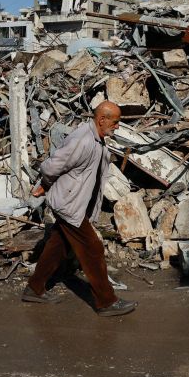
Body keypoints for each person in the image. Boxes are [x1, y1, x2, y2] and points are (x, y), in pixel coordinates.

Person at [22, 100, 137, 317]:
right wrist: (44, 185)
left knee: (59, 245)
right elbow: (50, 166)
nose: (117, 126)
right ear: (101, 119)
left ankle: (34, 288)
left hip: (73, 202)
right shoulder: (83, 140)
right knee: (92, 248)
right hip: (68, 204)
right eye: (115, 122)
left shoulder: (97, 138)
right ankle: (106, 301)